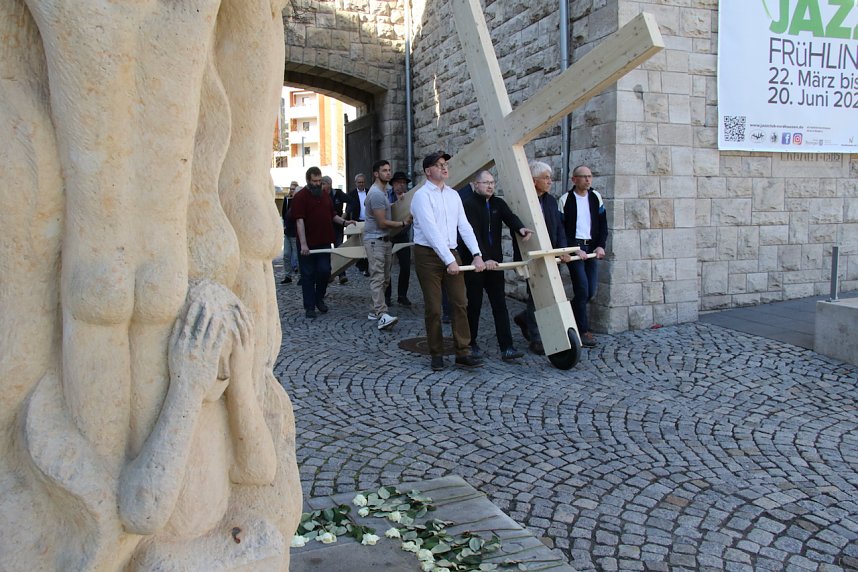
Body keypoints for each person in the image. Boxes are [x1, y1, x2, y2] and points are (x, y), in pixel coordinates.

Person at [411, 151, 486, 371]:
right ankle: (436, 353)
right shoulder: (421, 196)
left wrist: (476, 253)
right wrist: (448, 260)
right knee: (434, 307)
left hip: (451, 252)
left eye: (445, 164)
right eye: (439, 165)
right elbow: (431, 231)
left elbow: (464, 225)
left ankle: (463, 351)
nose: (444, 168)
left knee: (460, 303)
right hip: (427, 255)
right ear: (428, 171)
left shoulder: (453, 195)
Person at [460, 170, 534, 361]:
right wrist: (483, 258)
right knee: (473, 305)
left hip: (495, 264)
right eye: (486, 183)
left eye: (492, 182)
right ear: (476, 185)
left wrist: (520, 228)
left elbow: (510, 217)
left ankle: (507, 347)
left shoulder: (497, 203)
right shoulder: (468, 205)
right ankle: (470, 344)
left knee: (500, 305)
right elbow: (472, 235)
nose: (491, 186)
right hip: (475, 264)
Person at [513, 161, 572, 355]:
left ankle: (526, 319)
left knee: (545, 298)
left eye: (550, 178)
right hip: (532, 256)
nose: (550, 182)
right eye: (546, 178)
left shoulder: (550, 201)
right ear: (533, 180)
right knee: (536, 297)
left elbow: (559, 227)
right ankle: (537, 337)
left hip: (551, 257)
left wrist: (563, 249)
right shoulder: (522, 200)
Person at [291, 166, 355, 318]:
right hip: (307, 244)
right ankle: (310, 307)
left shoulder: (325, 196)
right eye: (315, 181)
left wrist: (345, 223)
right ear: (308, 180)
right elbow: (299, 221)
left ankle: (319, 298)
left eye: (319, 181)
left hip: (324, 242)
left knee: (325, 271)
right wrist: (304, 244)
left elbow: (332, 215)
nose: (318, 183)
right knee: (307, 275)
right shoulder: (300, 197)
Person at [562, 165, 607, 348]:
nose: (587, 180)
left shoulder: (596, 197)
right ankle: (583, 331)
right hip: (576, 248)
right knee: (581, 289)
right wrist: (573, 248)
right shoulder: (566, 200)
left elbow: (603, 225)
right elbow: (562, 229)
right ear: (574, 179)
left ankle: (568, 317)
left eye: (590, 176)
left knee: (590, 291)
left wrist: (600, 246)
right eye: (583, 177)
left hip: (591, 248)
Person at [364, 160, 409, 330]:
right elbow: (382, 222)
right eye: (384, 170)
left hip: (384, 241)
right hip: (375, 241)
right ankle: (382, 314)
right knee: (377, 277)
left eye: (389, 170)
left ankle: (373, 310)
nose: (388, 173)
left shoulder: (383, 193)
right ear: (376, 174)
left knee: (385, 279)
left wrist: (399, 203)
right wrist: (403, 224)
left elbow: (384, 209)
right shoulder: (376, 193)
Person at [385, 171, 413, 307]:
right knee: (387, 268)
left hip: (403, 236)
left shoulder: (409, 197)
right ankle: (387, 296)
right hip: (389, 236)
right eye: (399, 183)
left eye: (404, 183)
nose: (401, 185)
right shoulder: (386, 196)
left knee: (406, 267)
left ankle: (402, 295)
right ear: (393, 184)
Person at [324, 176, 349, 285]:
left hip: (338, 227)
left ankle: (342, 274)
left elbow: (351, 201)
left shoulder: (338, 193)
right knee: (327, 251)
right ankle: (330, 274)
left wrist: (346, 213)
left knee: (339, 250)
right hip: (326, 227)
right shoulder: (321, 195)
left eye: (324, 183)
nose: (322, 185)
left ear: (329, 184)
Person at [346, 173, 370, 276]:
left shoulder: (369, 192)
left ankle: (367, 266)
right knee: (359, 244)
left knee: (368, 244)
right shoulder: (351, 194)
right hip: (357, 221)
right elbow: (348, 209)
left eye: (362, 182)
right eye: (359, 182)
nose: (361, 184)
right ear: (356, 183)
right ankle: (361, 266)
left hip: (369, 221)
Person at [280, 180, 300, 284]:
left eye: (294, 189)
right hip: (288, 232)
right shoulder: (287, 200)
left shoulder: (300, 203)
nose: (292, 191)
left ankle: (302, 276)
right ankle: (288, 276)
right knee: (286, 254)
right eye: (291, 189)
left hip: (295, 233)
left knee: (297, 256)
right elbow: (284, 214)